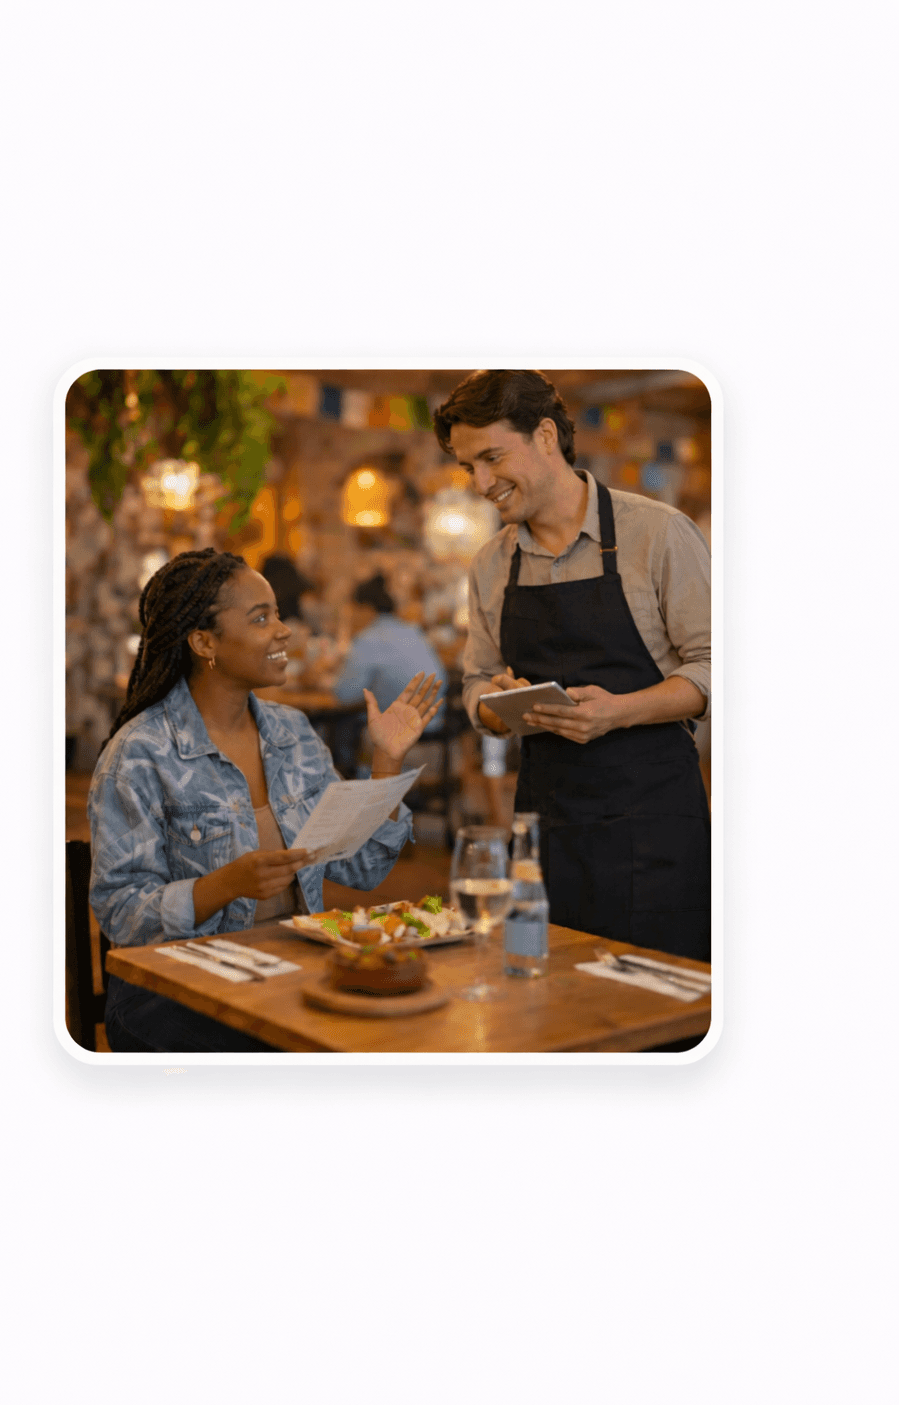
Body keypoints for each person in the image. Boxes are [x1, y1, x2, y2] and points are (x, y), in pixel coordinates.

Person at [88, 549, 442, 1051]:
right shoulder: (141, 754)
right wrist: (223, 885)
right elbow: (121, 913)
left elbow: (361, 869)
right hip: (176, 990)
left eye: (277, 614)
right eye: (261, 618)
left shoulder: (292, 733)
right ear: (204, 641)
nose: (283, 630)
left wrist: (385, 760)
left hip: (293, 970)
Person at [434, 370, 711, 963]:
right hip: (545, 825)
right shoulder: (491, 563)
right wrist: (496, 706)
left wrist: (620, 712)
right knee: (546, 994)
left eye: (490, 458)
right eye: (468, 468)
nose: (481, 483)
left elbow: (718, 666)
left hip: (653, 823)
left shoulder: (658, 534)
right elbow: (476, 680)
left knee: (658, 1005)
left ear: (544, 436)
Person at [326, 573, 447, 776]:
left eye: (353, 610)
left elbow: (344, 694)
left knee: (339, 729)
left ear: (365, 609)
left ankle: (347, 792)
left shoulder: (369, 638)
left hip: (400, 736)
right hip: (436, 729)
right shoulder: (413, 631)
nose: (351, 616)